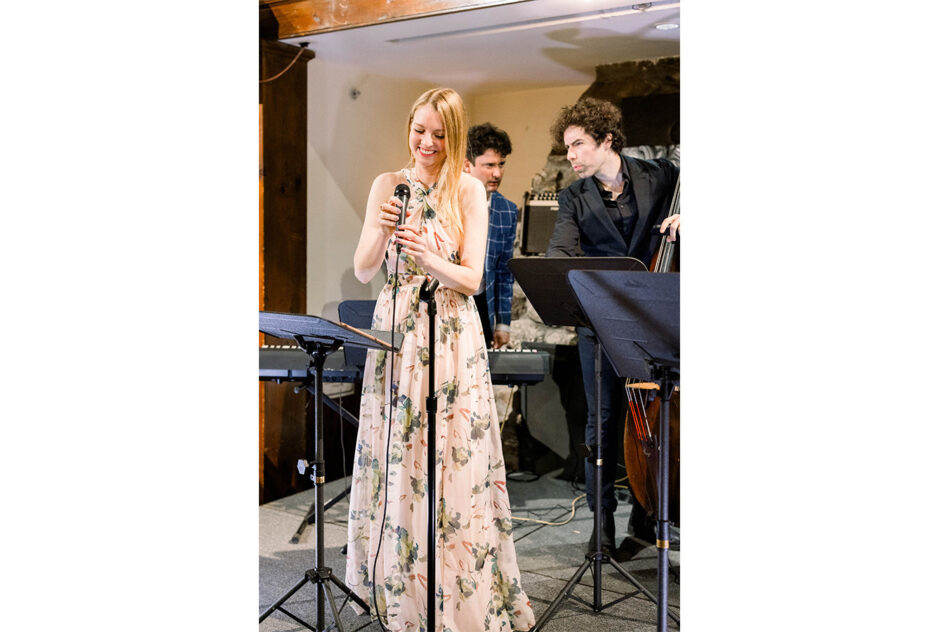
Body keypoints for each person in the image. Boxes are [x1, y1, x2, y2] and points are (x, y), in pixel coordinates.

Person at [347, 87, 535, 632]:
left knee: (451, 456)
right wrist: (383, 230)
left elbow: (474, 278)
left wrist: (431, 257)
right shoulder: (388, 184)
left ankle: (454, 590)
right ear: (409, 128)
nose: (426, 142)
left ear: (453, 136)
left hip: (450, 330)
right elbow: (363, 270)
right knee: (397, 452)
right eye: (419, 130)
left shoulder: (470, 190)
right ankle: (399, 584)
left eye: (439, 133)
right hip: (397, 330)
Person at [545, 97, 680, 554]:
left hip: (650, 321)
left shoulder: (658, 175)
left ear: (606, 140)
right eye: (567, 147)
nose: (572, 156)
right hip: (598, 325)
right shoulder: (572, 197)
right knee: (599, 425)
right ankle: (600, 524)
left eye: (578, 144)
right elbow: (559, 256)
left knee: (650, 424)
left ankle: (645, 520)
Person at [464, 123, 517, 349]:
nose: (497, 173)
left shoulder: (507, 209)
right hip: (450, 303)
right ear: (468, 165)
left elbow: (505, 272)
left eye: (501, 164)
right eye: (489, 165)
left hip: (484, 303)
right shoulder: (448, 202)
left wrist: (503, 324)